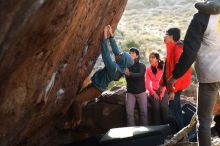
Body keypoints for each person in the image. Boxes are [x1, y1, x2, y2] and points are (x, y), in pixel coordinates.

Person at [167, 1, 220, 145]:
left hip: (210, 75)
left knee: (203, 121)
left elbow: (189, 52)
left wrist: (174, 76)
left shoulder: (200, 18)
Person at [71, 25, 134, 128]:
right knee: (80, 101)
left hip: (96, 89)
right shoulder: (120, 65)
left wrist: (104, 36)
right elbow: (116, 51)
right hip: (95, 85)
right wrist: (111, 35)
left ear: (123, 60)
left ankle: (78, 121)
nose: (120, 54)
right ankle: (74, 122)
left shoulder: (115, 69)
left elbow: (105, 54)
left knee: (77, 101)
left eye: (122, 55)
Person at [159, 28, 192, 131]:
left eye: (166, 34)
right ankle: (181, 133)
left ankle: (182, 133)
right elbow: (167, 69)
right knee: (175, 109)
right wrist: (161, 83)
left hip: (176, 85)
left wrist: (173, 89)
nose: (164, 36)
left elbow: (181, 72)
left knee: (173, 110)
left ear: (172, 36)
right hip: (172, 85)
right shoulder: (171, 47)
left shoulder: (178, 49)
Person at [124, 47, 148, 126]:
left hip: (141, 92)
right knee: (129, 113)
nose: (131, 54)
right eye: (130, 53)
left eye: (133, 53)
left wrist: (130, 74)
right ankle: (131, 133)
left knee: (144, 112)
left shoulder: (142, 65)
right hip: (130, 93)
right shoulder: (126, 66)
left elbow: (140, 75)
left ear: (137, 56)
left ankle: (145, 132)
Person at [145, 52, 168, 125]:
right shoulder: (148, 70)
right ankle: (157, 128)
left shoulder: (163, 67)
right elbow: (147, 84)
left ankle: (166, 126)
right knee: (156, 108)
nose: (150, 59)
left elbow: (165, 82)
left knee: (164, 106)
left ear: (157, 59)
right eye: (150, 57)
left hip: (163, 90)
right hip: (153, 91)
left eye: (153, 57)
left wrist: (162, 94)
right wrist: (153, 93)